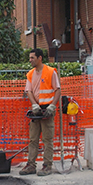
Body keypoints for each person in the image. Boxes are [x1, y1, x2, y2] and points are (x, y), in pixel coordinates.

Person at [20, 48, 61, 176]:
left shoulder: (50, 72)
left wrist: (52, 106)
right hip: (36, 110)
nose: (30, 60)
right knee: (33, 139)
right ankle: (31, 165)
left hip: (47, 109)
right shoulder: (30, 74)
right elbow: (29, 91)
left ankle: (47, 165)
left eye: (32, 58)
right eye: (30, 58)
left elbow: (58, 90)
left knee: (47, 139)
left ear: (40, 58)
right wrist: (34, 104)